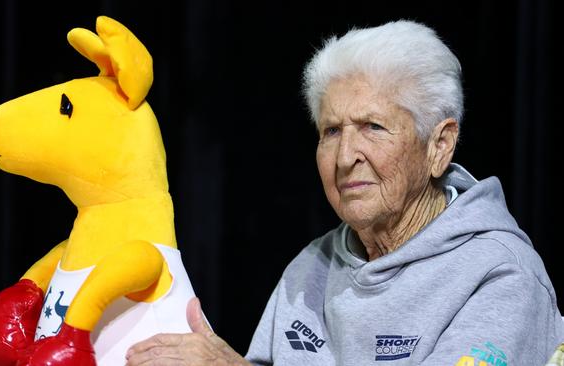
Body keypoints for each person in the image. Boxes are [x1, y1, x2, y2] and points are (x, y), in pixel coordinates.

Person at [125, 20, 564, 366]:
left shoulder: (500, 275)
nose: (344, 156)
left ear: (439, 145)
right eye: (331, 131)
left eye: (372, 127)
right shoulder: (310, 270)